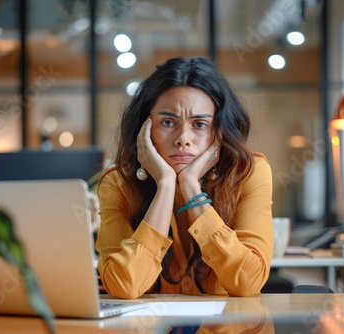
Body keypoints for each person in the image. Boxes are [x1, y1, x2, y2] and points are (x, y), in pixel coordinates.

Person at [95, 56, 273, 299]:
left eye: (199, 124)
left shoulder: (249, 173)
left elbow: (247, 282)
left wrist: (191, 187)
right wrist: (165, 185)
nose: (183, 139)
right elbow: (124, 285)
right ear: (144, 129)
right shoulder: (118, 183)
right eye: (168, 122)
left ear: (219, 132)